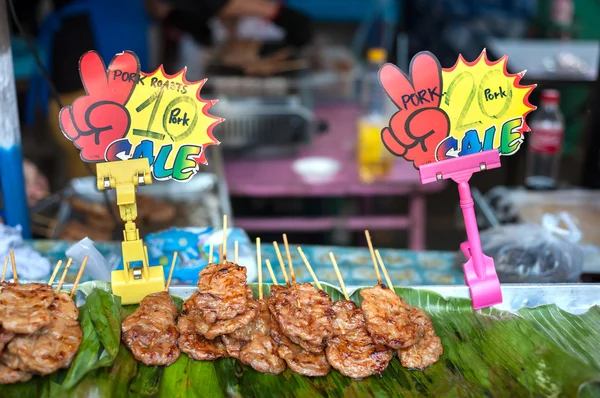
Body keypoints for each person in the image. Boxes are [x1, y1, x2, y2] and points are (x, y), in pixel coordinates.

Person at [20, 0, 312, 179]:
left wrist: (177, 16)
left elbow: (159, 5)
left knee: (125, 185)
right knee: (102, 194)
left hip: (116, 83)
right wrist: (274, 12)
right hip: (88, 83)